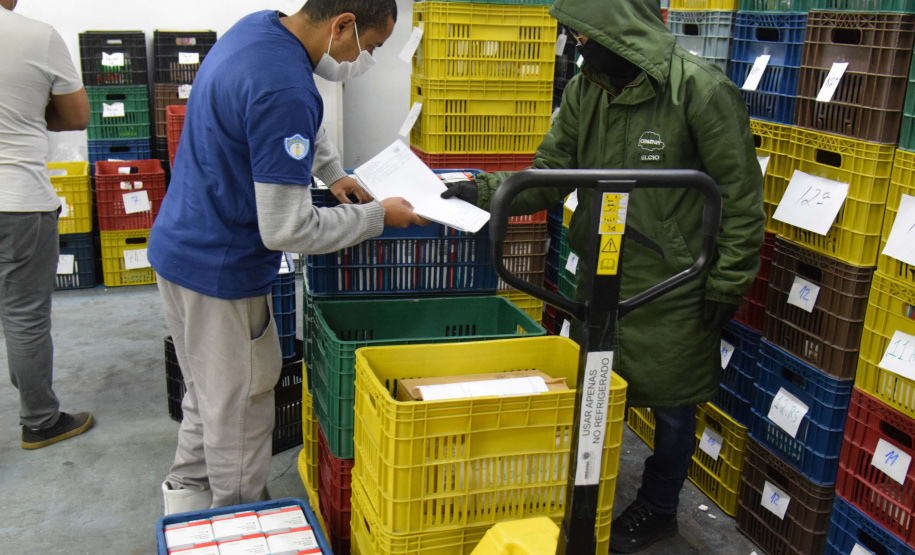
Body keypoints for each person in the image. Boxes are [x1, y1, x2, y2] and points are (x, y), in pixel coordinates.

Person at [442, 0, 764, 552]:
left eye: (585, 36)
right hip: (603, 273)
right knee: (598, 391)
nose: (578, 47)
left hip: (674, 282)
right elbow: (548, 176)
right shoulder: (585, 92)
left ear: (621, 31)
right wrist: (486, 190)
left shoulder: (701, 92)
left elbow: (740, 197)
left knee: (672, 404)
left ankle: (661, 506)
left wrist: (728, 280)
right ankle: (593, 485)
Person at [148, 0, 423, 514]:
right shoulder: (287, 88)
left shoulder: (262, 32)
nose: (368, 59)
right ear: (342, 25)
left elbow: (297, 126)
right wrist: (379, 217)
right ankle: (236, 525)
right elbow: (288, 228)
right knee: (240, 412)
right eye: (372, 46)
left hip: (179, 250)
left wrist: (334, 172)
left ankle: (184, 502)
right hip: (221, 272)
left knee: (209, 396)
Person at [0, 0, 94, 450]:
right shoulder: (35, 35)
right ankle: (39, 421)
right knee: (23, 315)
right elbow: (76, 116)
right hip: (16, 198)